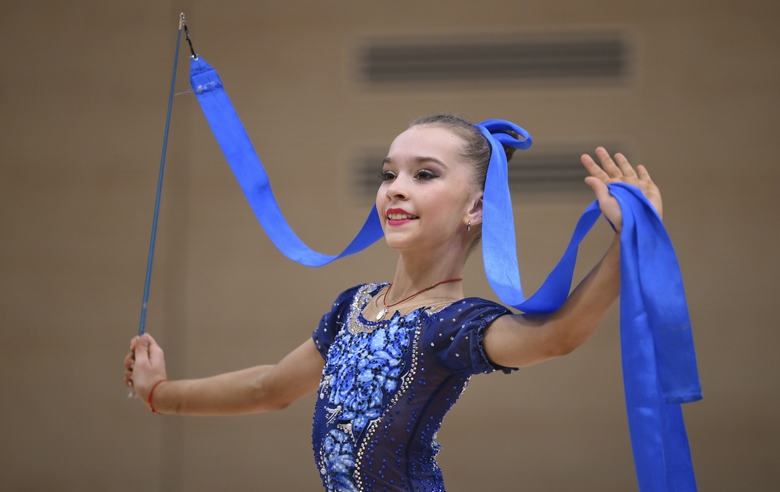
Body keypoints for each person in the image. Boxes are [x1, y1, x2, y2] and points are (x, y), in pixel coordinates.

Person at [124, 114, 662, 491]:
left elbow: (556, 336)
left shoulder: (454, 324)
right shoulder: (353, 308)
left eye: (424, 174)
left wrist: (629, 242)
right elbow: (270, 388)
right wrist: (161, 395)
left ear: (476, 208)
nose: (395, 188)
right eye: (389, 174)